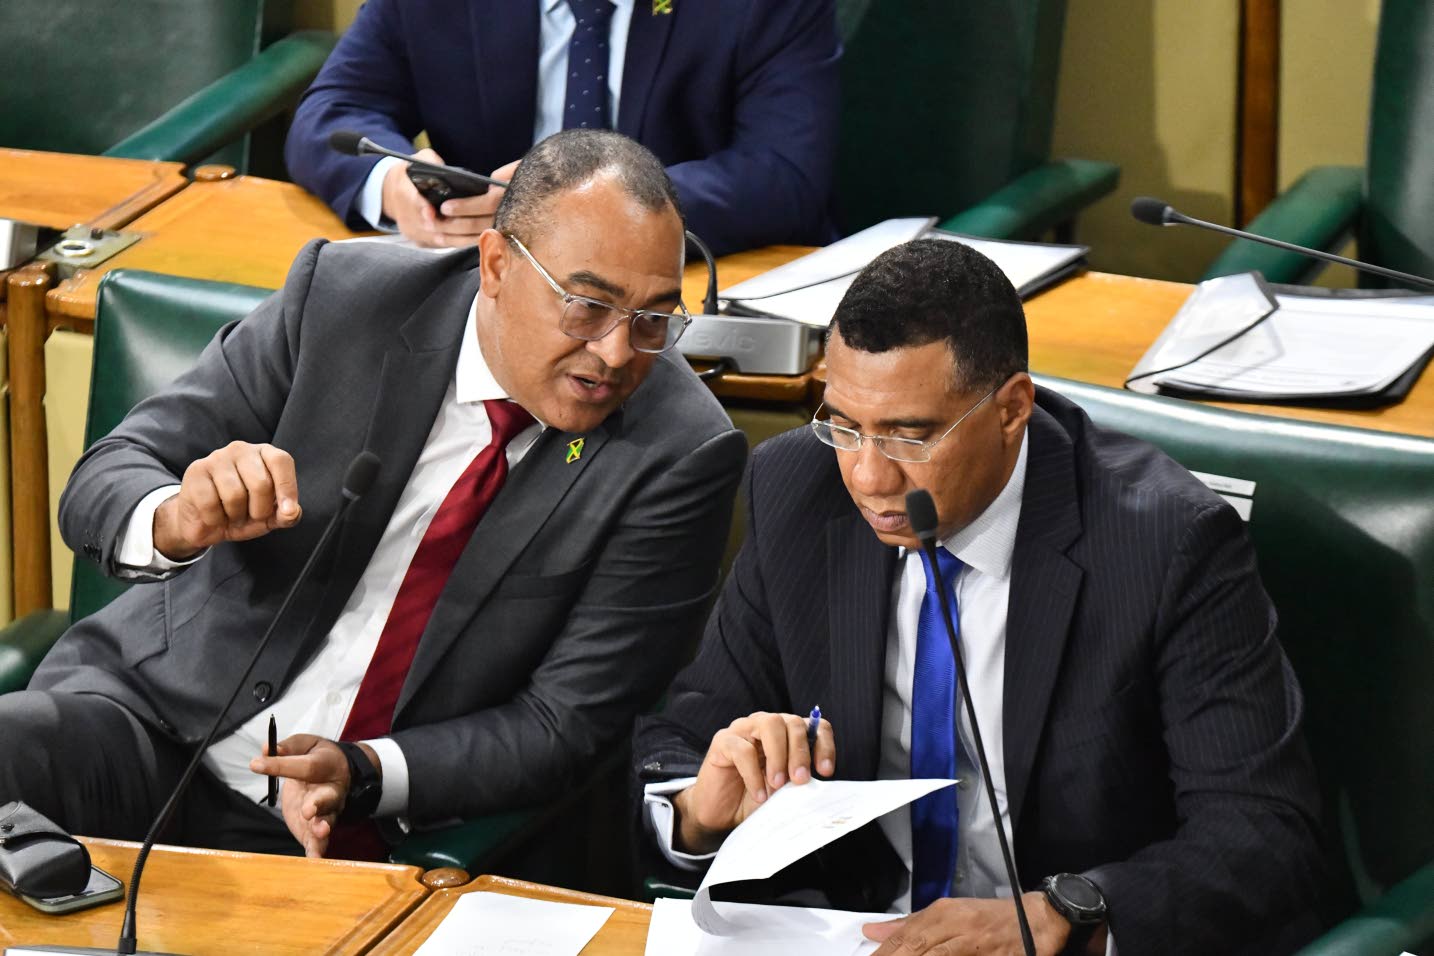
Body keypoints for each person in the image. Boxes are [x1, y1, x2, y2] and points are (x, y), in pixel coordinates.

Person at [1, 130, 746, 860]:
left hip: (352, 828)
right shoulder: (344, 297)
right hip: (150, 724)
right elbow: (112, 472)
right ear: (495, 263)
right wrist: (176, 517)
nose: (616, 352)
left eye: (654, 318)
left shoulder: (679, 450)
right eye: (587, 305)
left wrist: (365, 772)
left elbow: (566, 724)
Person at [633, 239, 1325, 955]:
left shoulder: (1165, 542)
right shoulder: (797, 489)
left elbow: (1263, 834)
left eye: (909, 435)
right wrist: (699, 810)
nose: (867, 478)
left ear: (1011, 409)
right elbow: (684, 737)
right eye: (844, 425)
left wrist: (1065, 917)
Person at [284, 0, 841, 257]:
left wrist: (587, 206)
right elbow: (335, 110)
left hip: (677, 297)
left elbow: (784, 172)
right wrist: (394, 184)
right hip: (484, 278)